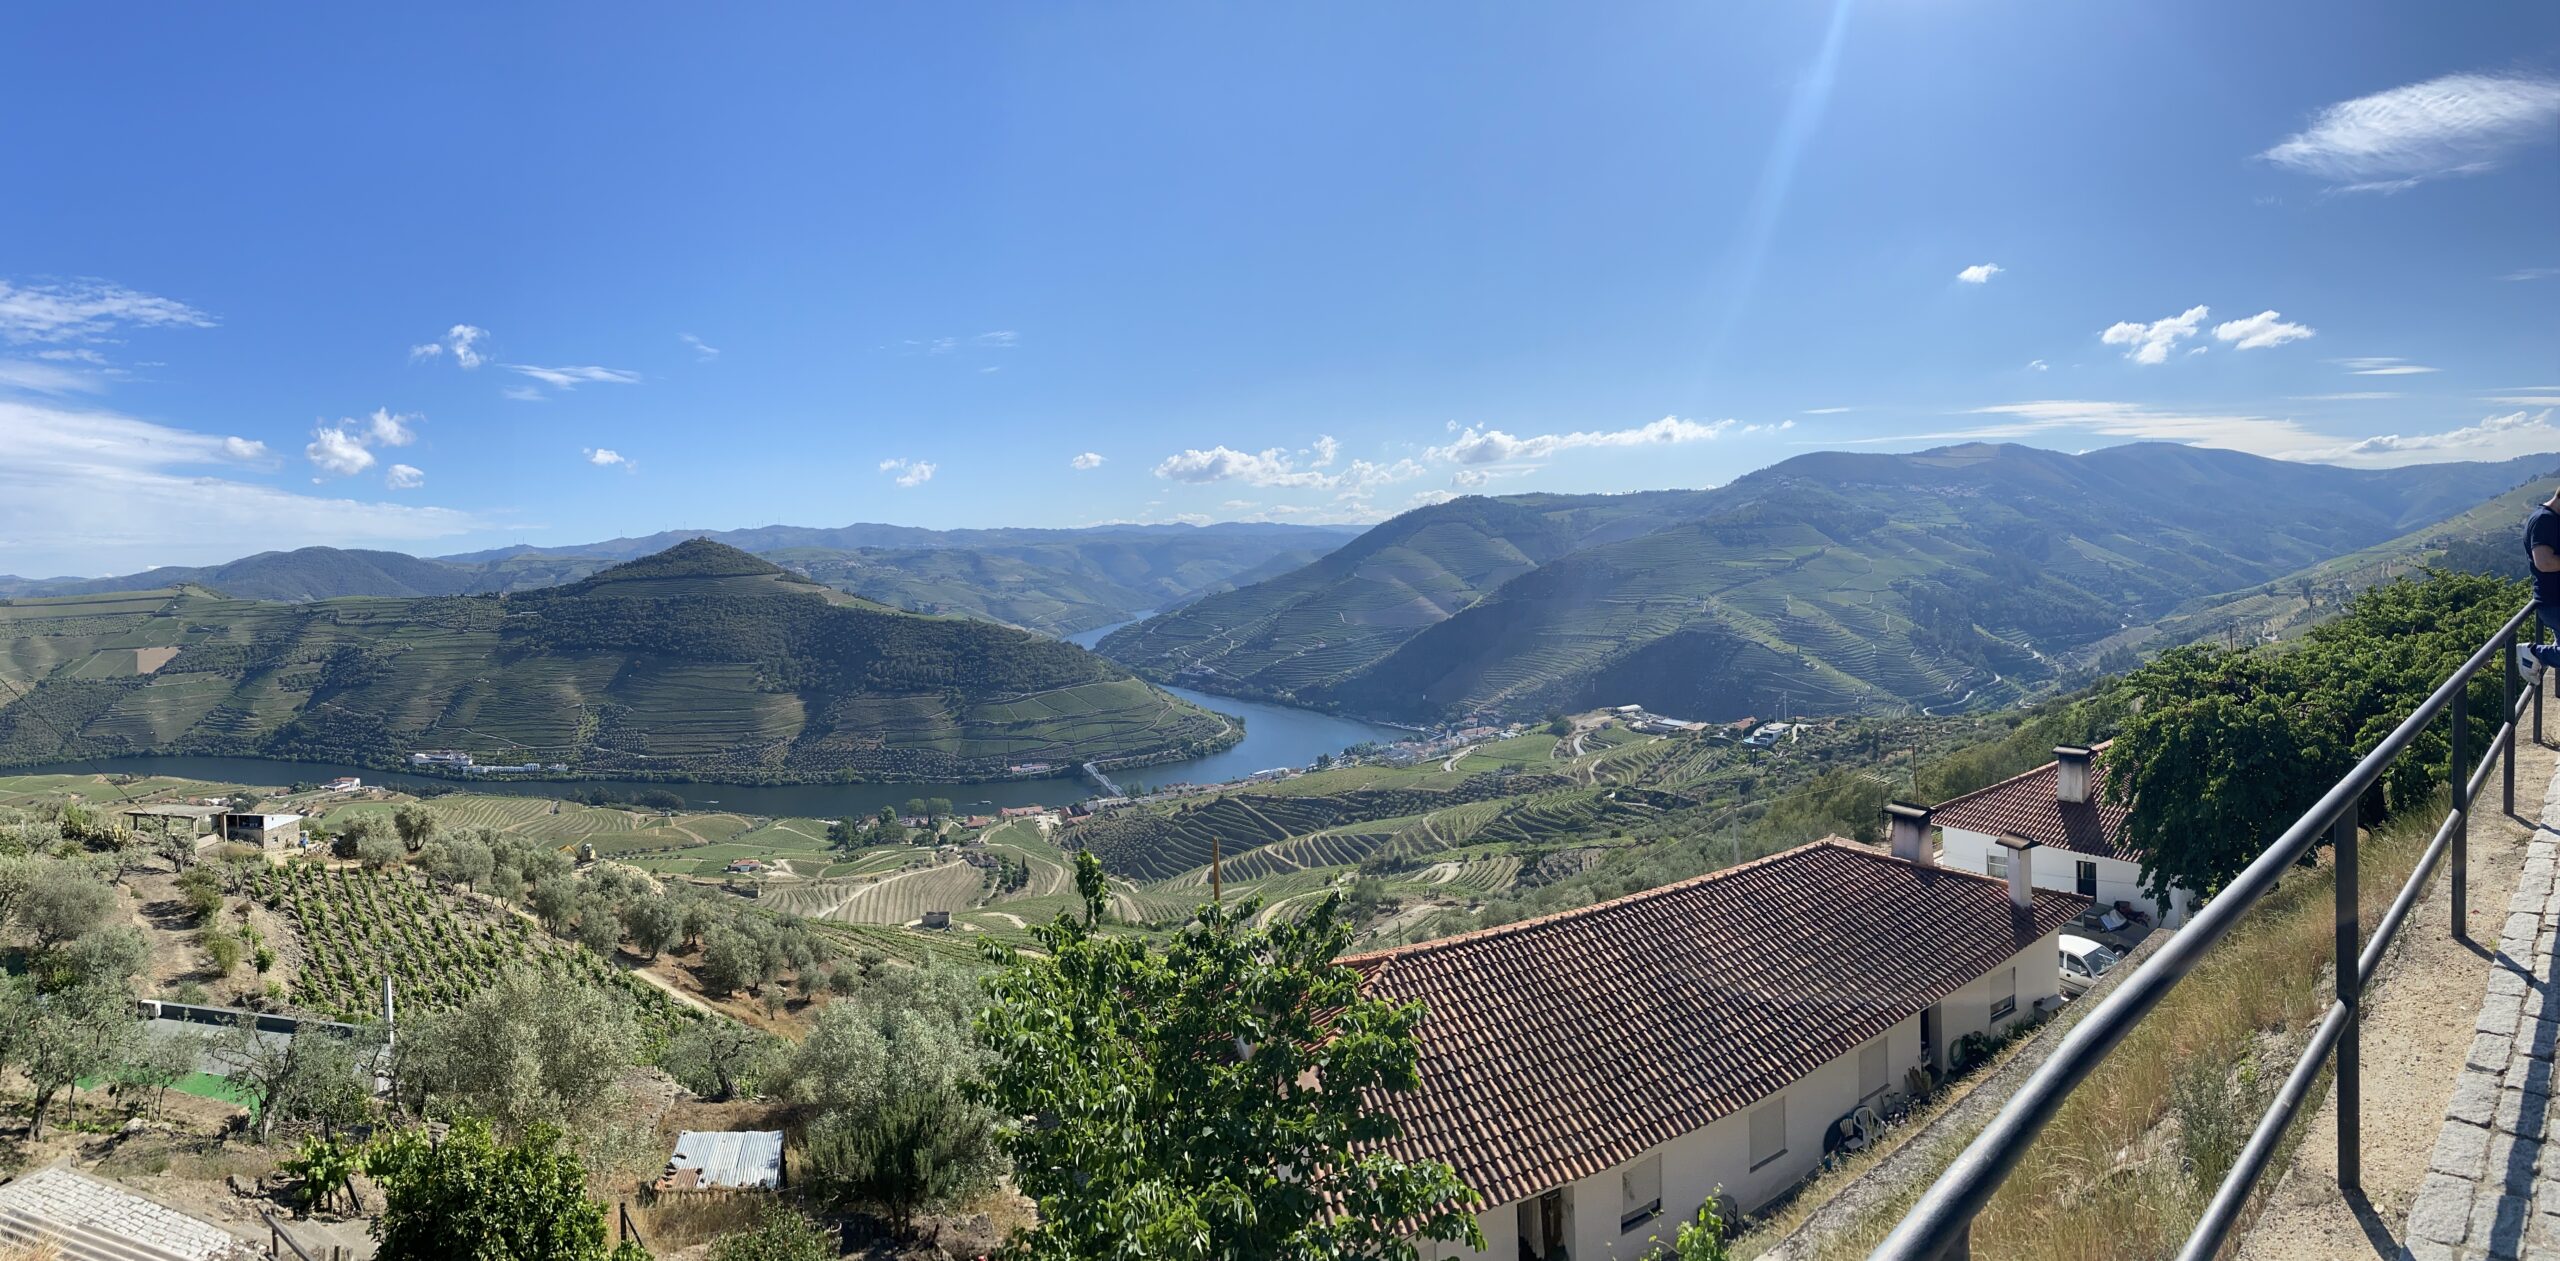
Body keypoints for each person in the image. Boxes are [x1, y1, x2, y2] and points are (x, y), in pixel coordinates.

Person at [2521, 487, 2560, 677]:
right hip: (2554, 601)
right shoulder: (2544, 520)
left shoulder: (2552, 519)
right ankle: (2535, 653)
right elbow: (2544, 562)